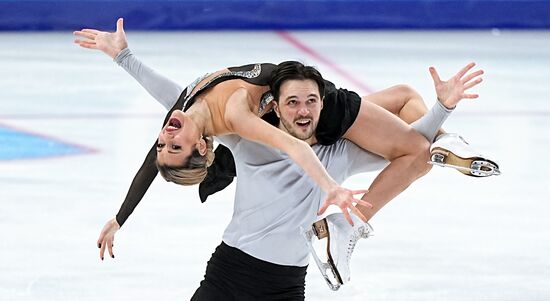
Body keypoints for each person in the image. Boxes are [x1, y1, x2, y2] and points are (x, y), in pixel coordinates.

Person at [74, 19, 485, 299]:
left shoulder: (336, 148)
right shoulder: (244, 141)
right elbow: (296, 147)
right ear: (203, 146)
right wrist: (333, 188)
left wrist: (442, 111)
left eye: (165, 142)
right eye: (174, 144)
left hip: (287, 284)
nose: (164, 136)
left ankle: (348, 226)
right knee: (414, 135)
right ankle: (347, 225)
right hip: (231, 276)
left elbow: (411, 150)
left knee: (418, 141)